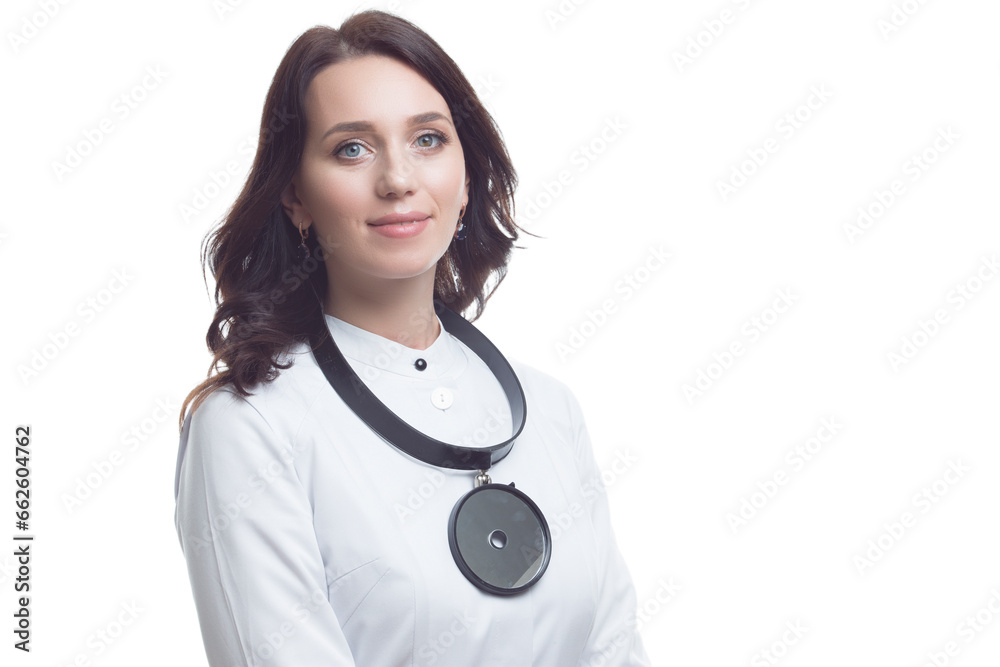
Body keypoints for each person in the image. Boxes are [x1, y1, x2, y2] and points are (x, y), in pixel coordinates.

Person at [173, 9, 651, 666]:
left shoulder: (551, 410)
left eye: (428, 139)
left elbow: (615, 649)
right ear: (295, 197)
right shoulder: (252, 426)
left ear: (466, 177)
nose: (398, 179)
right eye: (352, 148)